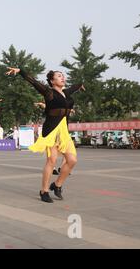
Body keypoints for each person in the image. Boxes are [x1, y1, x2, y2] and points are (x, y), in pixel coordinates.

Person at [6, 67, 84, 203]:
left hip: (64, 132)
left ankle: (57, 185)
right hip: (51, 131)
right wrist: (21, 71)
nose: (62, 77)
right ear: (52, 81)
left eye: (62, 76)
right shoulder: (49, 93)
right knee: (52, 160)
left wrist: (80, 85)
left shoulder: (66, 93)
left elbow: (75, 87)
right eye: (59, 76)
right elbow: (34, 82)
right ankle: (44, 190)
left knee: (72, 160)